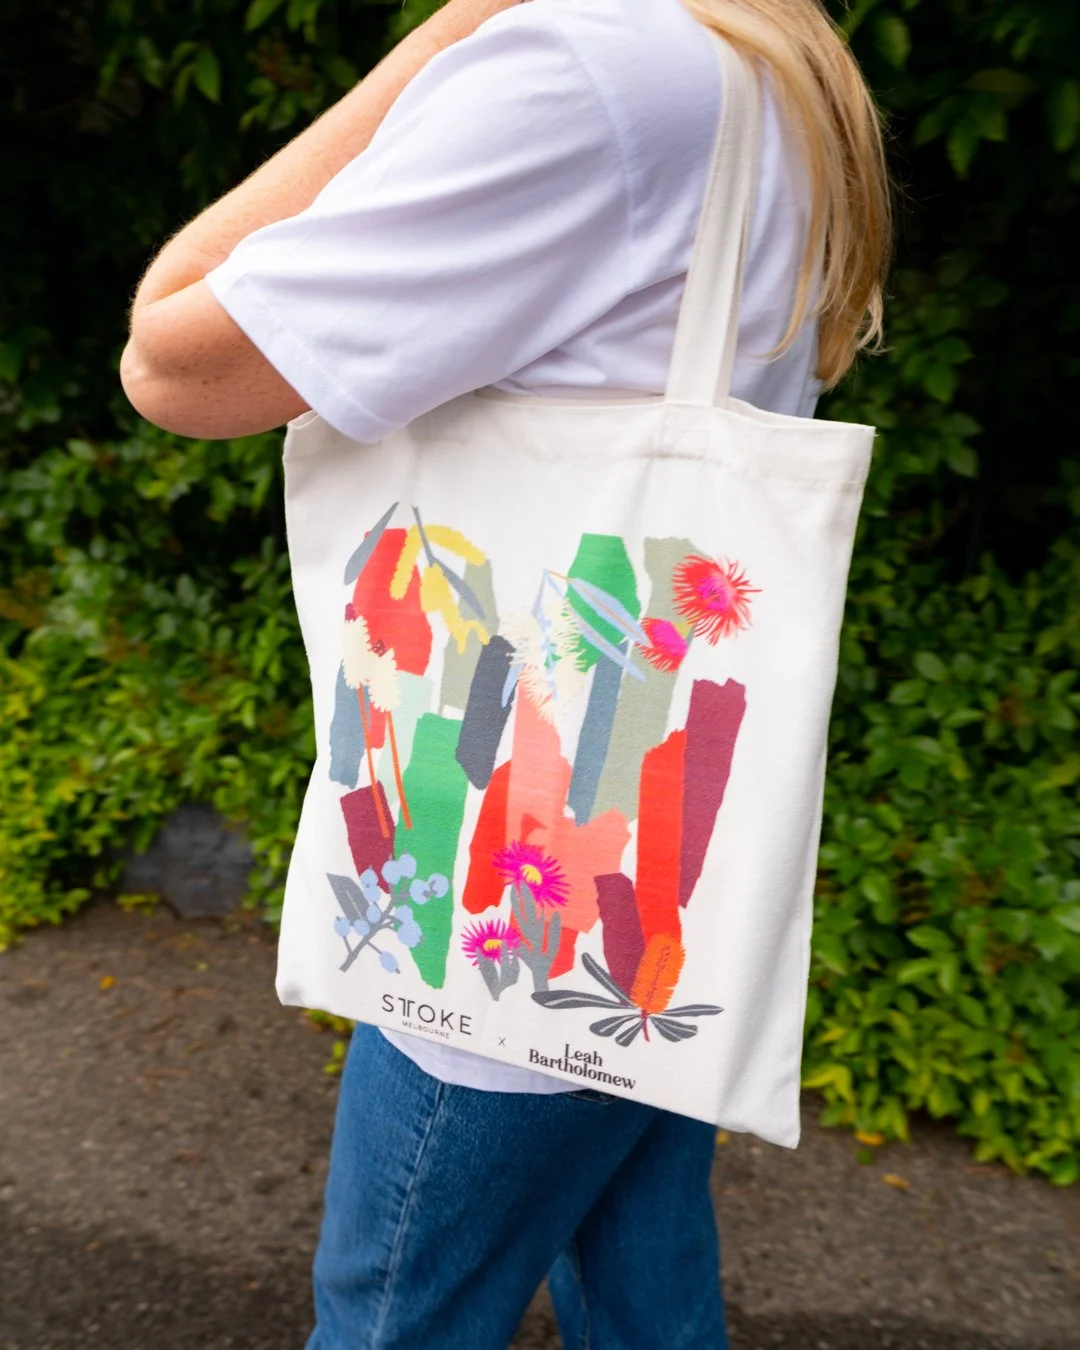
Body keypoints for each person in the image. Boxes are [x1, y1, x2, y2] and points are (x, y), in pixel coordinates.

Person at [121, 0, 890, 1345]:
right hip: (651, 892)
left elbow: (172, 355)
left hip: (504, 931)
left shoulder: (585, 66)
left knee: (392, 1316)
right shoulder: (771, 54)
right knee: (645, 1301)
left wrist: (442, 41)